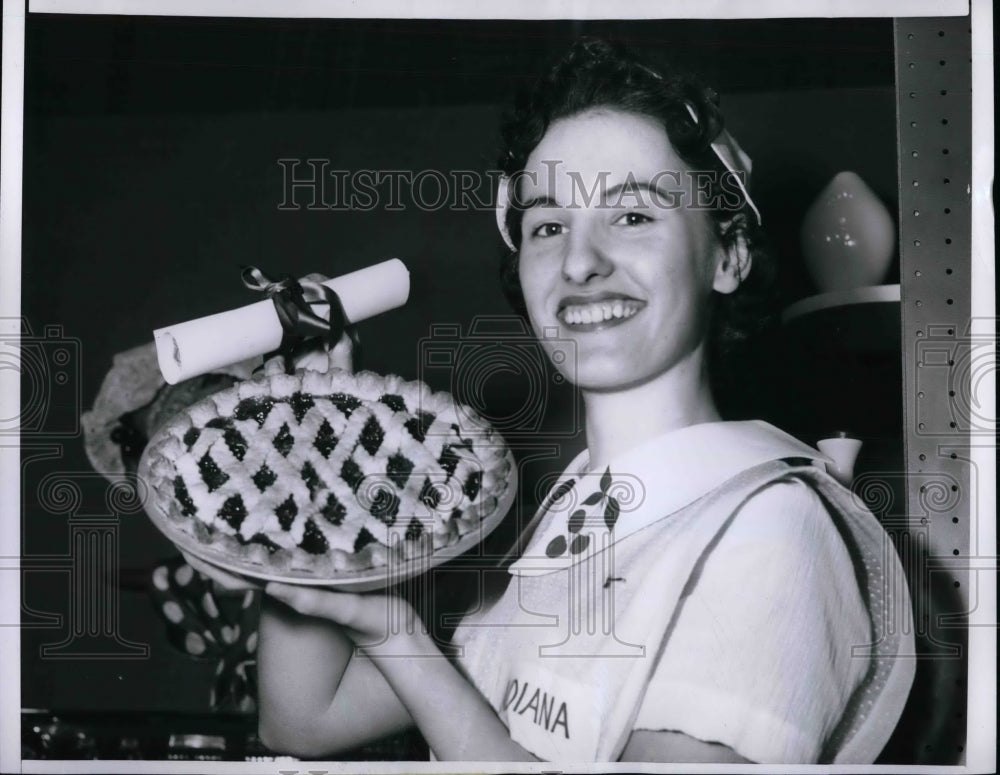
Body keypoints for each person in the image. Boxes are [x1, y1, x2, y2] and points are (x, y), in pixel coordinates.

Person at [185, 38, 914, 763]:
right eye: (547, 225)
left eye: (633, 215)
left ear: (728, 256)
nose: (580, 261)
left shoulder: (766, 531)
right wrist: (314, 433)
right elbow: (303, 720)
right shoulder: (565, 518)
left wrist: (401, 637)